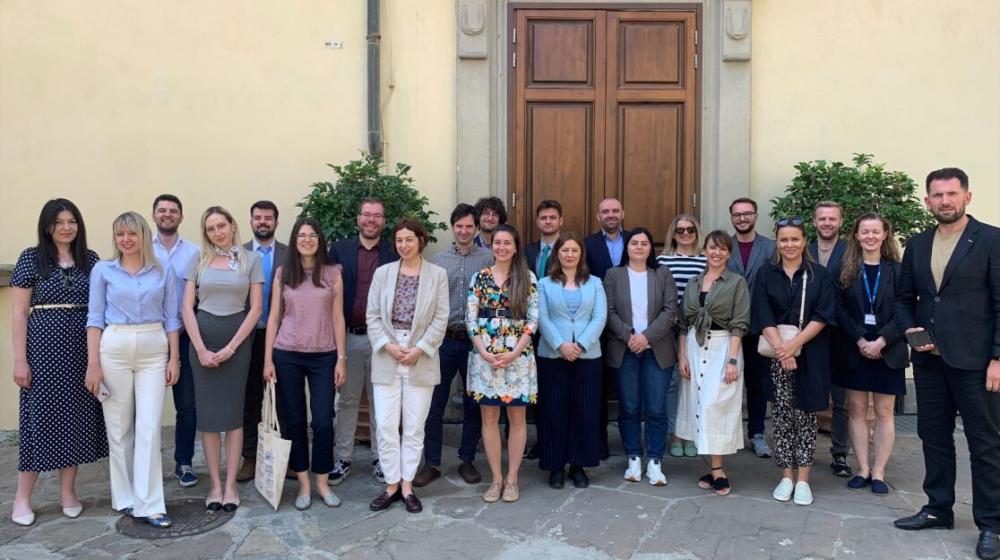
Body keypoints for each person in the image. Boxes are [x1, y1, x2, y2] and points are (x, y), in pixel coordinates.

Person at [893, 168, 1000, 560]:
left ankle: (991, 524)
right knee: (934, 439)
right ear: (927, 202)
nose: (945, 201)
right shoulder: (918, 245)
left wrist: (997, 359)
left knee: (985, 445)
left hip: (975, 363)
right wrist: (910, 331)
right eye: (937, 195)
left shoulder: (991, 240)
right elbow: (904, 298)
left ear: (967, 197)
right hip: (929, 362)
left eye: (952, 194)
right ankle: (938, 508)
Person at [10, 199, 107, 527]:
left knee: (75, 420)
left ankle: (68, 493)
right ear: (47, 225)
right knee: (38, 422)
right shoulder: (30, 258)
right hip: (42, 353)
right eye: (59, 222)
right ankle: (22, 497)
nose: (67, 227)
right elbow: (19, 313)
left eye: (72, 221)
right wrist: (20, 360)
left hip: (81, 351)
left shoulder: (90, 260)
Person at [85, 212, 179, 528]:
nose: (125, 240)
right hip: (114, 347)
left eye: (132, 234)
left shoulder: (162, 270)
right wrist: (93, 365)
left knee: (149, 426)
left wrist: (174, 358)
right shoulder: (103, 270)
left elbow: (172, 319)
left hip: (154, 347)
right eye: (120, 234)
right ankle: (125, 498)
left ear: (143, 236)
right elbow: (95, 318)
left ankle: (150, 504)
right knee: (119, 427)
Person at [181, 206, 263, 512]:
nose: (217, 232)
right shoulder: (197, 260)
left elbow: (255, 309)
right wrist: (200, 348)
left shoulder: (250, 259)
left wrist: (232, 347)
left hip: (238, 344)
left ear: (232, 225)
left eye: (221, 225)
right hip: (202, 343)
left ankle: (231, 486)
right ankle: (215, 486)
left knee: (233, 416)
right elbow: (187, 308)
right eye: (211, 228)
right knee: (210, 419)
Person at [262, 217, 346, 510]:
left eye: (313, 235)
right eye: (302, 235)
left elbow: (338, 317)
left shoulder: (333, 273)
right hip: (287, 355)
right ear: (295, 240)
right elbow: (273, 317)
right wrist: (267, 359)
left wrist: (341, 359)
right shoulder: (284, 273)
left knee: (323, 421)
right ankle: (304, 484)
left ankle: (322, 481)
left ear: (320, 240)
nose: (307, 239)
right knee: (294, 421)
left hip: (324, 356)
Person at [366, 219, 449, 514]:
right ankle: (390, 485)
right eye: (399, 240)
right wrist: (387, 345)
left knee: (414, 427)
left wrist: (420, 349)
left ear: (421, 241)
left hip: (421, 356)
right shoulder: (383, 273)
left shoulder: (437, 275)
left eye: (409, 240)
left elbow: (441, 318)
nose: (404, 245)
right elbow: (372, 316)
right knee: (387, 425)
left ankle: (407, 485)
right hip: (387, 354)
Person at [752, 217, 835, 507]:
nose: (789, 244)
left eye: (795, 239)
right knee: (782, 415)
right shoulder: (766, 273)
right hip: (776, 354)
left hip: (811, 354)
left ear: (804, 241)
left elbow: (823, 315)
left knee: (806, 416)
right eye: (784, 239)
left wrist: (794, 346)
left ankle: (803, 480)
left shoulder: (819, 275)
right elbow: (762, 314)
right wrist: (781, 350)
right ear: (777, 242)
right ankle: (785, 475)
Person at [413, 204, 492, 488]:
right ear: (452, 227)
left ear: (476, 228)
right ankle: (431, 462)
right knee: (435, 403)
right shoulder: (437, 261)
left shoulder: (489, 259)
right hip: (443, 341)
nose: (464, 231)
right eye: (459, 226)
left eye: (469, 226)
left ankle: (467, 458)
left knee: (473, 403)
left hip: (475, 343)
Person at [831, 213, 906, 496]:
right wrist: (861, 339)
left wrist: (882, 340)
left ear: (885, 234)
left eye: (876, 231)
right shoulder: (846, 269)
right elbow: (839, 309)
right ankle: (862, 468)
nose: (870, 236)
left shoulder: (898, 270)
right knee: (857, 410)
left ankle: (879, 472)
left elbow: (904, 309)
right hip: (855, 349)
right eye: (865, 232)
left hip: (889, 350)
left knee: (885, 412)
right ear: (857, 236)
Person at [466, 224, 539, 503]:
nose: (502, 247)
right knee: (489, 417)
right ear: (491, 245)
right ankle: (496, 478)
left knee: (517, 417)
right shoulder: (479, 278)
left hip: (517, 358)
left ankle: (512, 479)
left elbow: (533, 320)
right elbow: (471, 318)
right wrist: (483, 351)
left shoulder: (527, 277)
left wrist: (515, 352)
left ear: (516, 246)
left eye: (507, 243)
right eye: (497, 242)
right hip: (485, 357)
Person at [328, 198, 398, 485]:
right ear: (358, 219)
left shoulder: (394, 251)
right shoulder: (339, 250)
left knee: (383, 402)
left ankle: (381, 459)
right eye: (366, 215)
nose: (371, 220)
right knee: (347, 400)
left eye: (377, 216)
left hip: (384, 340)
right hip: (350, 337)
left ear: (384, 221)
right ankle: (342, 459)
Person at [675, 230, 751, 496]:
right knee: (699, 405)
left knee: (714, 406)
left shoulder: (736, 282)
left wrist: (732, 360)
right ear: (704, 251)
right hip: (695, 348)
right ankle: (713, 466)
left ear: (728, 253)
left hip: (723, 347)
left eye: (722, 249)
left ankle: (718, 469)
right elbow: (684, 323)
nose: (716, 253)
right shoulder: (694, 283)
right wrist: (682, 356)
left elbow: (740, 323)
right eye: (711, 248)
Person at [604, 227, 678, 485]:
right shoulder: (614, 275)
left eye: (644, 243)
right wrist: (630, 336)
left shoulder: (662, 274)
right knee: (629, 407)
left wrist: (646, 337)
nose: (638, 247)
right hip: (624, 350)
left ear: (651, 248)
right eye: (634, 243)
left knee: (656, 408)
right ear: (627, 247)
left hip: (656, 350)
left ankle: (655, 460)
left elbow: (670, 311)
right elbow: (609, 311)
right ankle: (633, 457)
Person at [536, 233, 607, 489]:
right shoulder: (544, 283)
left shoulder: (595, 283)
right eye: (564, 250)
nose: (569, 254)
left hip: (587, 356)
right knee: (554, 412)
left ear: (581, 254)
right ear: (557, 254)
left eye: (574, 250)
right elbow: (541, 318)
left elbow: (599, 317)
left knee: (584, 412)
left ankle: (578, 465)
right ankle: (555, 466)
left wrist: (580, 345)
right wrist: (561, 345)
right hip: (553, 355)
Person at [151, 194, 201, 488]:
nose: (168, 215)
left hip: (183, 338)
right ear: (154, 215)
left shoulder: (194, 253)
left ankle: (184, 462)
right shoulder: (143, 250)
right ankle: (146, 465)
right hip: (148, 337)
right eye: (162, 211)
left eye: (173, 211)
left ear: (181, 217)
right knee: (146, 406)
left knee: (187, 405)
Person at [237, 201, 286, 482]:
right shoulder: (238, 254)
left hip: (283, 337)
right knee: (249, 398)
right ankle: (249, 456)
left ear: (276, 222)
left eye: (268, 218)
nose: (263, 222)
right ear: (251, 221)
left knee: (284, 398)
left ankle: (286, 455)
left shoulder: (290, 254)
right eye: (258, 218)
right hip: (249, 336)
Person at [727, 197, 776, 459]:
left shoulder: (770, 247)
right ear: (731, 218)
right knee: (728, 380)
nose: (742, 218)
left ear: (756, 216)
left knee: (757, 383)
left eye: (747, 214)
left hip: (759, 326)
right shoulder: (724, 245)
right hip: (729, 326)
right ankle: (729, 433)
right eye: (737, 215)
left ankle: (757, 434)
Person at [657, 213, 708, 459]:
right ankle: (675, 433)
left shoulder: (706, 259)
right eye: (680, 230)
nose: (686, 234)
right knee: (673, 384)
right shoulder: (663, 260)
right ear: (673, 234)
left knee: (696, 383)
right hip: (669, 331)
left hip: (699, 331)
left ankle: (692, 433)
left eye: (690, 230)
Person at [584, 197, 631, 460]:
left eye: (615, 210)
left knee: (629, 388)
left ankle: (630, 443)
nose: (610, 215)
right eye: (605, 211)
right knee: (597, 388)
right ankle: (598, 441)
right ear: (598, 216)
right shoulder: (587, 244)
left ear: (623, 213)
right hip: (598, 327)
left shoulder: (636, 240)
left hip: (630, 325)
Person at [809, 201, 852, 478]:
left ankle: (839, 454)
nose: (827, 223)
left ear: (840, 221)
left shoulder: (851, 251)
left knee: (842, 399)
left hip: (841, 334)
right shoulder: (804, 249)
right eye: (822, 218)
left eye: (832, 219)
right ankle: (805, 451)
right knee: (809, 395)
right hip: (809, 335)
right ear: (814, 222)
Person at [522, 199, 564, 461]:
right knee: (535, 390)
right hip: (529, 331)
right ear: (538, 222)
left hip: (559, 332)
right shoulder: (526, 251)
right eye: (543, 218)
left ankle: (557, 439)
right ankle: (540, 440)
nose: (548, 222)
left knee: (555, 390)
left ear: (560, 221)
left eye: (552, 217)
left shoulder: (571, 250)